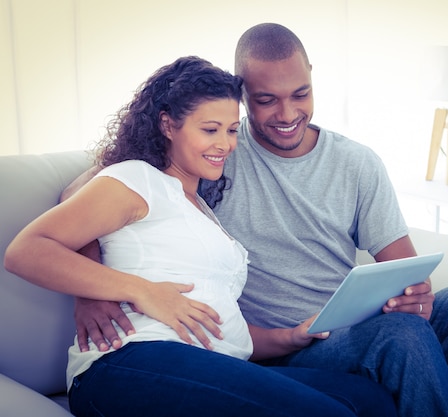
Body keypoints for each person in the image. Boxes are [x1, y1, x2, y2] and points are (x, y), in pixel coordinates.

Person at [68, 24, 448, 417]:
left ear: (313, 79)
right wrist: (93, 291)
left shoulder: (356, 162)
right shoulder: (215, 149)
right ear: (242, 95)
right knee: (399, 336)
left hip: (363, 326)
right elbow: (83, 192)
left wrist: (416, 293)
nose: (287, 113)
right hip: (293, 347)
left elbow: (404, 267)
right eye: (266, 100)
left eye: (300, 94)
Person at [3, 55, 397, 417]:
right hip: (132, 364)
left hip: (216, 366)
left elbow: (212, 324)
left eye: (231, 129)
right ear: (167, 125)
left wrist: (288, 337)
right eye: (209, 130)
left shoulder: (203, 209)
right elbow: (26, 251)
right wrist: (141, 290)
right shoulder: (137, 179)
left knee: (369, 400)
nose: (224, 144)